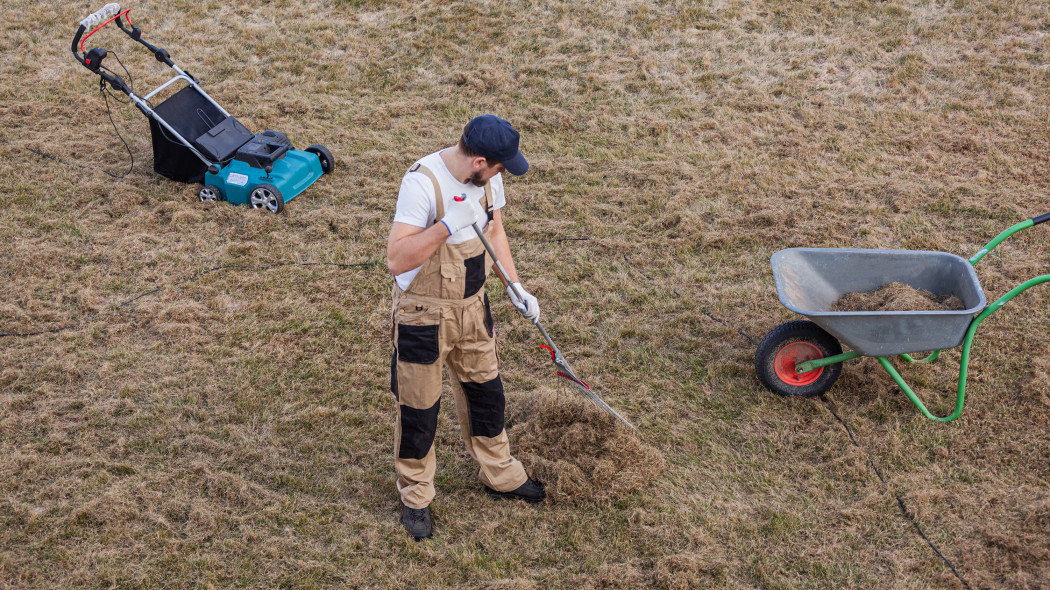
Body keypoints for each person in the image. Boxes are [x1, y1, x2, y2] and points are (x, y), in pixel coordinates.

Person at [386, 114, 546, 541]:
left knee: (486, 395)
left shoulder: (487, 181)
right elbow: (397, 260)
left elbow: (495, 230)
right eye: (498, 167)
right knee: (420, 411)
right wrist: (445, 226)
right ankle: (416, 496)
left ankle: (500, 475)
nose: (501, 174)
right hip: (424, 314)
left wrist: (515, 286)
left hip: (474, 308)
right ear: (479, 160)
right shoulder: (422, 183)